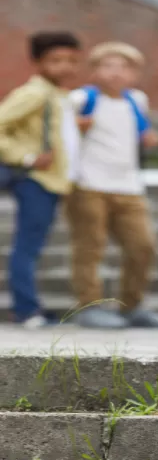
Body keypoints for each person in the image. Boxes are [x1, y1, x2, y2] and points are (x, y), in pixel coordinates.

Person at [65, 42, 158, 329]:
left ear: (134, 74)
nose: (116, 73)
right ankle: (89, 307)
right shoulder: (80, 99)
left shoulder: (136, 100)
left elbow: (139, 133)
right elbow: (63, 139)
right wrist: (76, 129)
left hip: (129, 186)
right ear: (94, 71)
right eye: (107, 65)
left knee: (143, 246)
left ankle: (133, 306)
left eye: (123, 67)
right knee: (89, 248)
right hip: (88, 184)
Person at [0, 32, 80, 328]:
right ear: (38, 62)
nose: (65, 67)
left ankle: (30, 306)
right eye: (56, 60)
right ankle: (26, 310)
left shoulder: (59, 95)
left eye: (72, 60)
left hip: (54, 182)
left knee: (33, 245)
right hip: (36, 180)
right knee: (27, 246)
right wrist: (27, 157)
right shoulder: (35, 92)